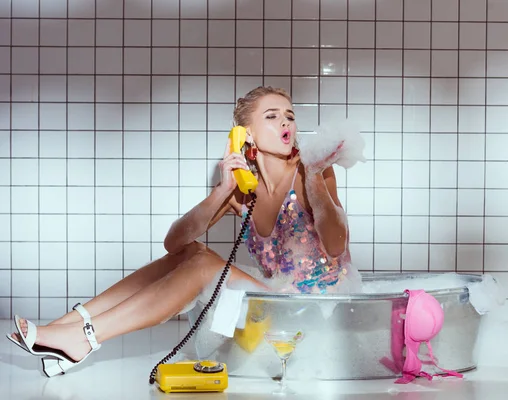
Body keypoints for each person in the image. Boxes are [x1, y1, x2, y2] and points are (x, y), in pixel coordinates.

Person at [6, 86, 361, 376]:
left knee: (206, 266)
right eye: (272, 116)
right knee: (194, 254)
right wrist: (221, 192)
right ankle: (68, 326)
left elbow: (334, 245)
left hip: (316, 316)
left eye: (289, 115)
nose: (285, 122)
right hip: (276, 302)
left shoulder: (312, 171)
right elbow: (174, 242)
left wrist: (315, 181)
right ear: (245, 136)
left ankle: (84, 338)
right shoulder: (241, 191)